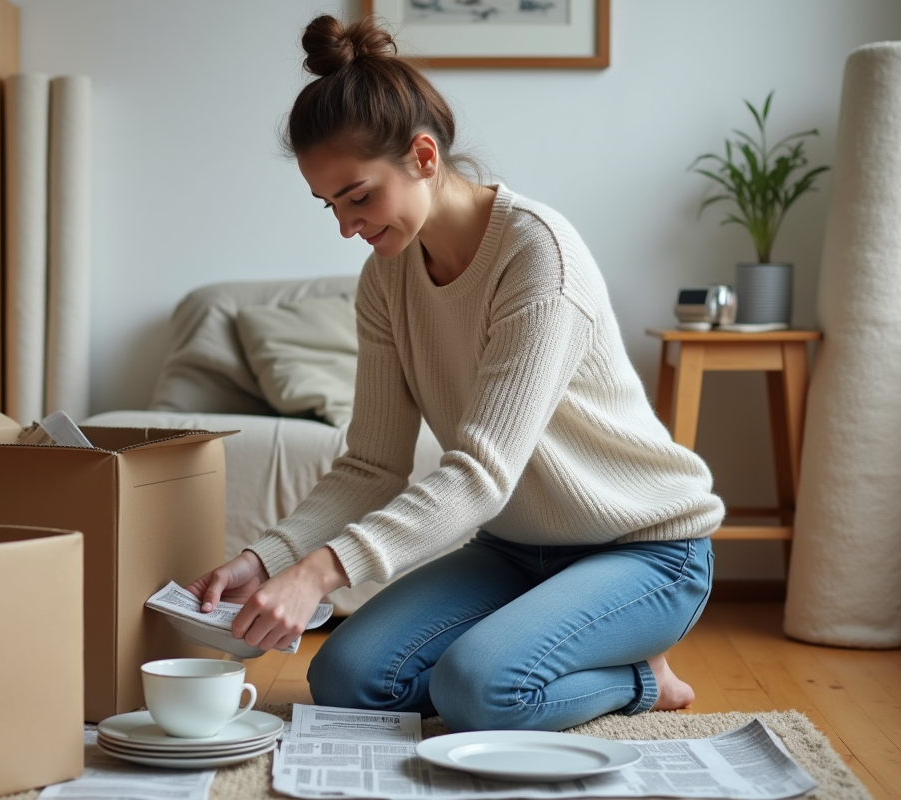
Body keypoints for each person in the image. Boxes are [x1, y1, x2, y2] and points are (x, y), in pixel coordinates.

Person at [185, 13, 723, 733]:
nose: (347, 225)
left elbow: (478, 474)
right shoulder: (385, 279)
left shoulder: (539, 259)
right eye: (329, 205)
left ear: (424, 156)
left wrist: (319, 573)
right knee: (346, 677)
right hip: (513, 551)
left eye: (358, 196)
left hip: (645, 552)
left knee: (480, 690)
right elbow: (371, 464)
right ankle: (539, 649)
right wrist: (269, 556)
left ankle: (641, 679)